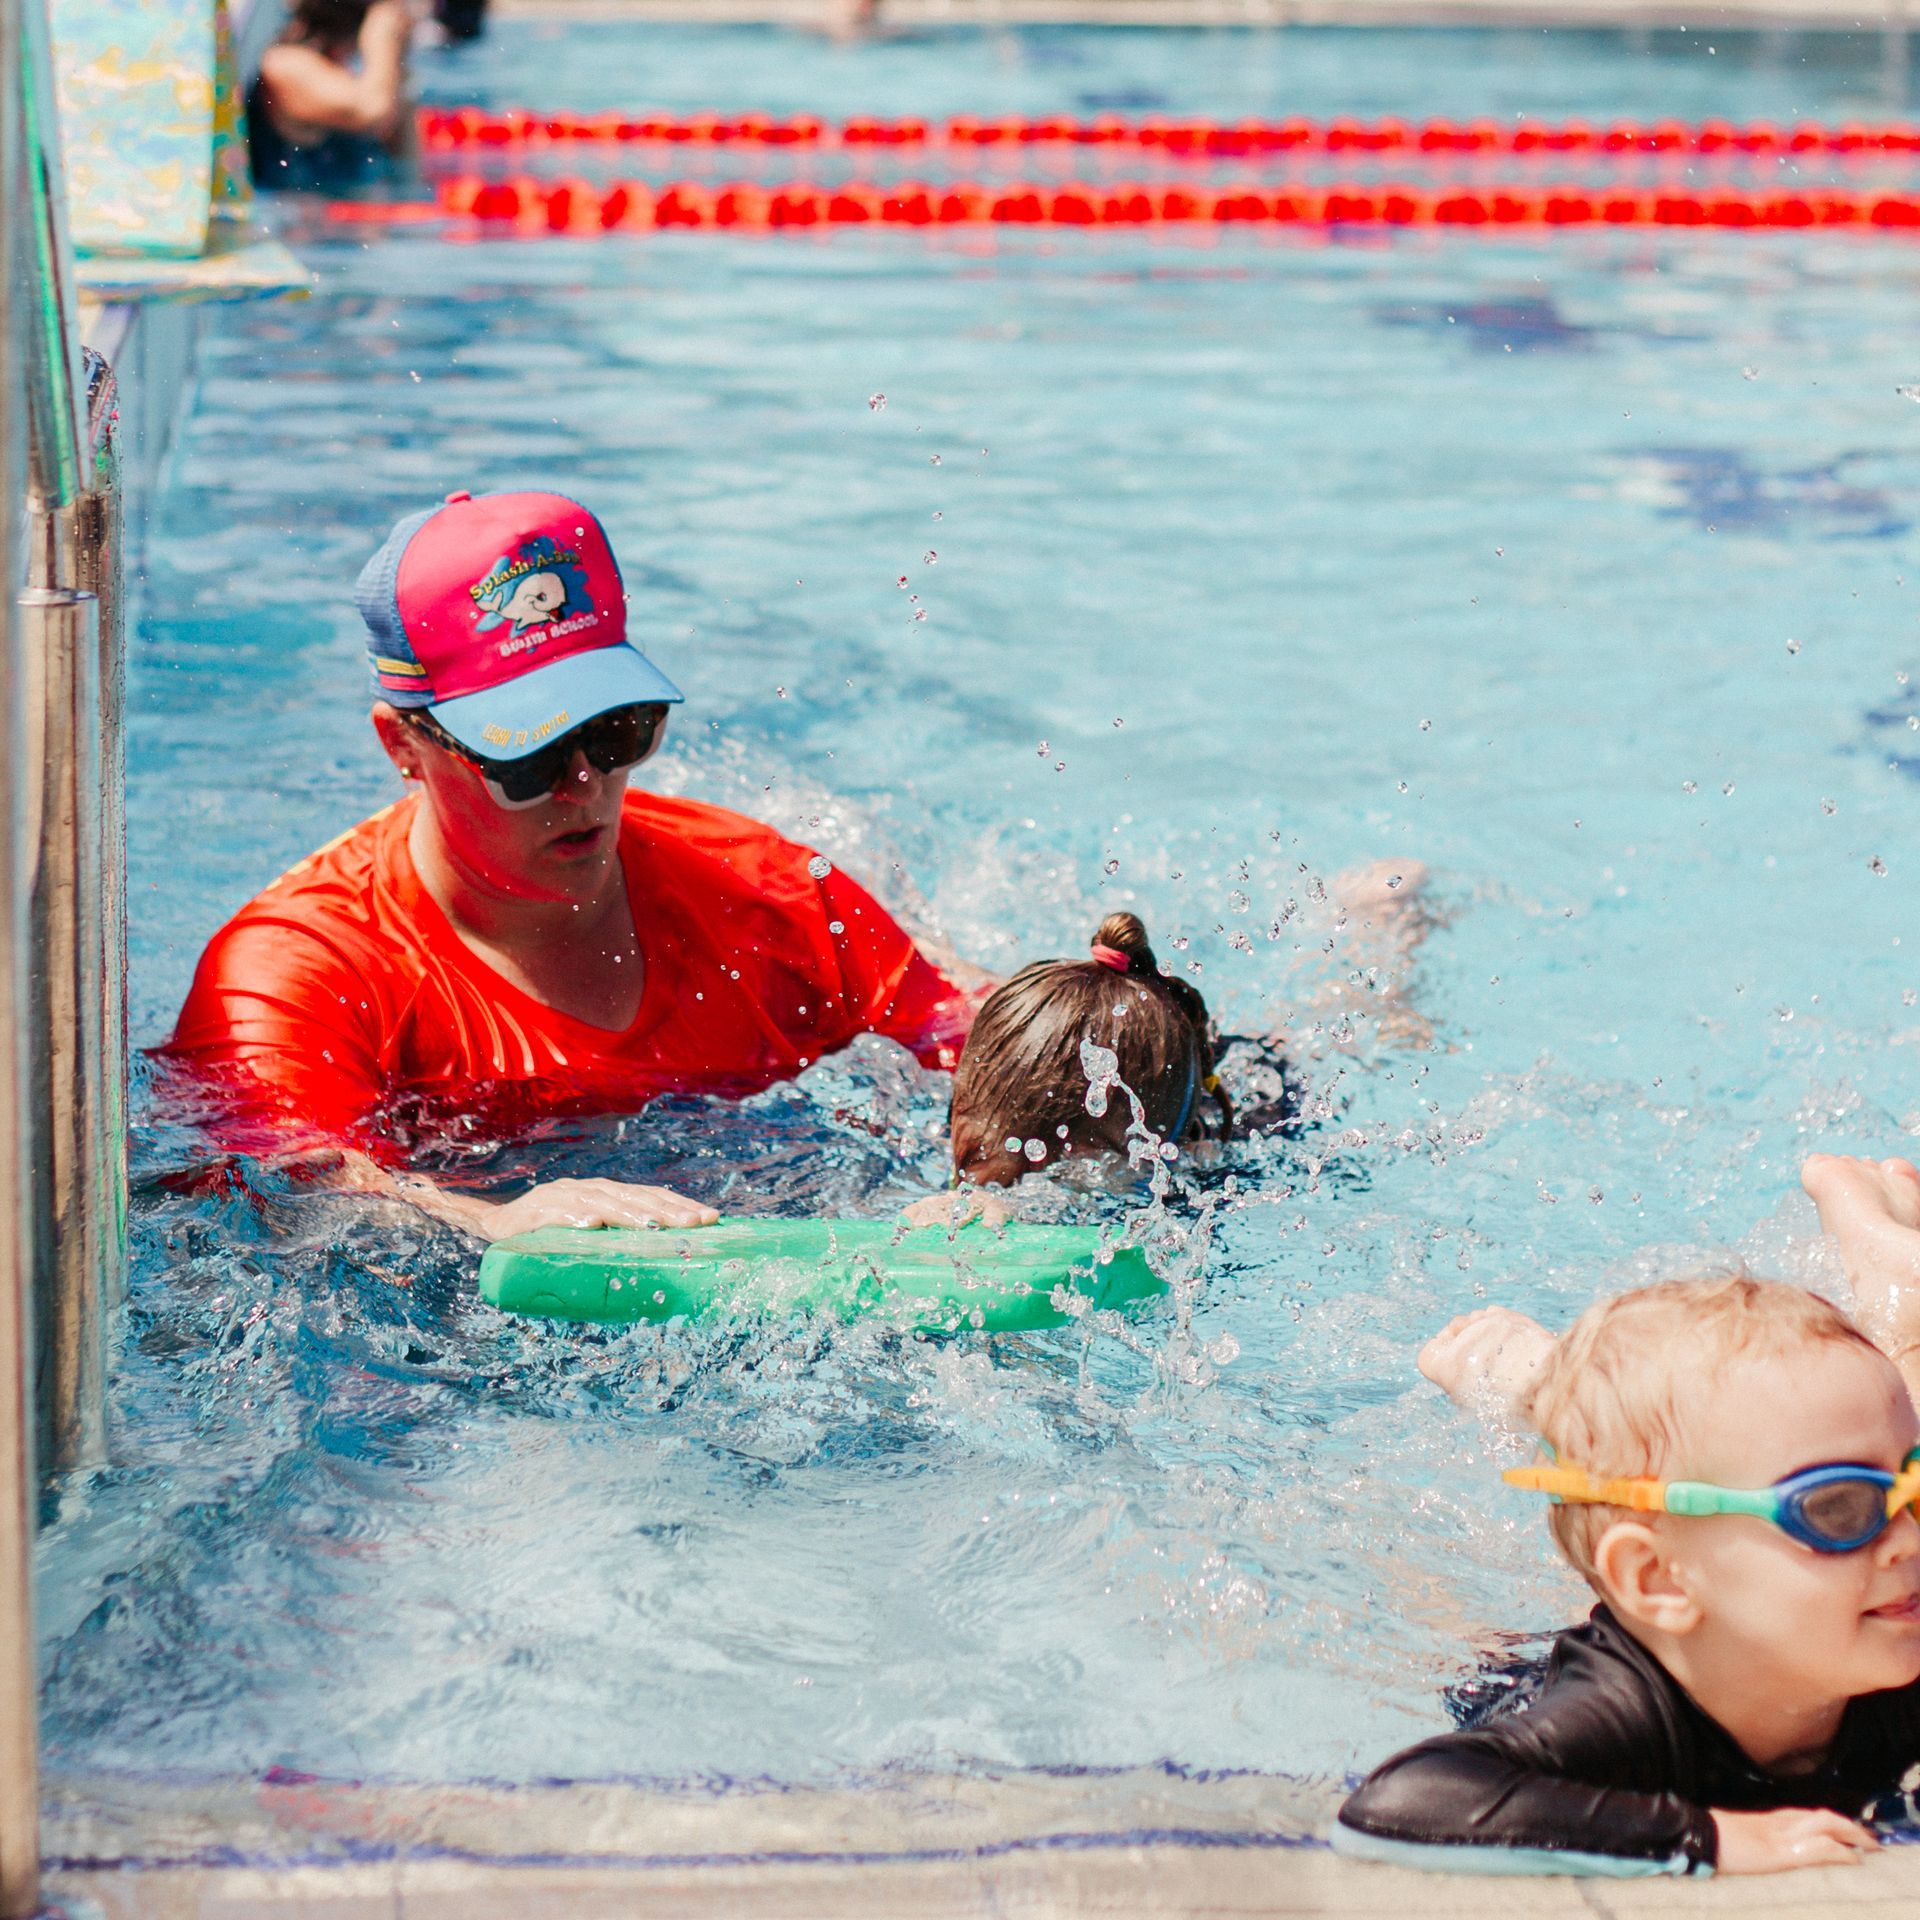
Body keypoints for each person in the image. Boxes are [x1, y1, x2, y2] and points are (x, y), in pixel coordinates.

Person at [163, 489, 977, 1241]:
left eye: (616, 731)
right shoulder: (296, 973)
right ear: (402, 745)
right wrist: (483, 1221)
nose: (586, 784)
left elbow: (972, 1042)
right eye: (530, 754)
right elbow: (282, 1192)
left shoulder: (769, 893)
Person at [1338, 1274, 1920, 1877]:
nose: (1907, 1539)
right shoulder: (1617, 1714)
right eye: (1836, 1507)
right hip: (1522, 1673)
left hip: (1701, 1613)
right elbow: (1402, 1799)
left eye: (1914, 1492)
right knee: (1471, 1642)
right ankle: (1525, 1380)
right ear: (1657, 1578)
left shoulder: (1885, 1633)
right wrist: (1703, 1838)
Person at [247, 0, 410, 189]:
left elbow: (407, 171)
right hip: (294, 213)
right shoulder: (283, 63)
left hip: (352, 211)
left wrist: (397, 65)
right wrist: (385, 37)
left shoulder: (360, 80)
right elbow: (373, 111)